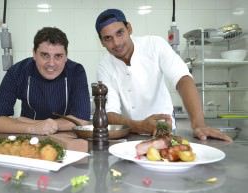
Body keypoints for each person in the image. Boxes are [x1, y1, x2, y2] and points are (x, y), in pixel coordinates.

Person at [95, 8, 232, 142]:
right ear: (102, 42)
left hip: (164, 132)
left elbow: (182, 78)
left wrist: (199, 125)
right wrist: (139, 126)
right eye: (108, 38)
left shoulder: (154, 45)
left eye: (120, 33)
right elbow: (109, 113)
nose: (117, 43)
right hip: (128, 136)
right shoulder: (105, 66)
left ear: (129, 28)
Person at [0, 27, 91, 135]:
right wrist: (32, 128)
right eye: (45, 55)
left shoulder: (76, 71)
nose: (51, 63)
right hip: (28, 138)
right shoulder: (18, 71)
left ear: (66, 57)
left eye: (58, 56)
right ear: (34, 54)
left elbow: (82, 121)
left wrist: (31, 123)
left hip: (67, 137)